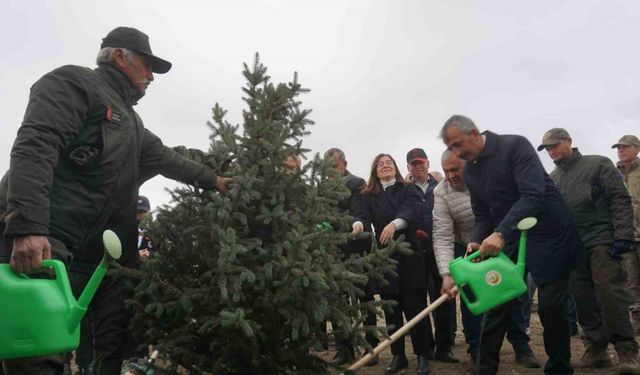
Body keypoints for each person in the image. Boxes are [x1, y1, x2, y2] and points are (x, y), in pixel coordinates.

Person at [0, 27, 231, 375]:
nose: (152, 75)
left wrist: (216, 180)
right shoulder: (74, 84)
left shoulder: (133, 125)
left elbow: (171, 159)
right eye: (148, 65)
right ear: (121, 57)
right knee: (37, 348)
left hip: (97, 258)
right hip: (45, 239)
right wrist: (28, 225)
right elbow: (36, 145)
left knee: (97, 342)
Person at [440, 115, 584, 375]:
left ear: (474, 133)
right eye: (451, 148)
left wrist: (501, 233)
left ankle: (559, 368)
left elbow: (533, 195)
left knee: (551, 308)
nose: (456, 153)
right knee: (495, 304)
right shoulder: (470, 170)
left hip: (549, 234)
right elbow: (484, 214)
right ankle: (485, 370)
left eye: (458, 145)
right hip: (509, 236)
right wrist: (476, 239)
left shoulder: (515, 147)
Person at [539, 128, 638, 371]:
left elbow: (619, 199)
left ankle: (626, 350)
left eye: (555, 145)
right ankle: (596, 348)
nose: (551, 151)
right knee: (582, 298)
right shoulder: (553, 179)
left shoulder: (598, 165)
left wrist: (623, 235)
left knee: (609, 293)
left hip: (602, 240)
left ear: (569, 142)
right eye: (547, 148)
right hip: (573, 247)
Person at [435, 150, 540, 369]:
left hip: (501, 241)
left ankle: (521, 346)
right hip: (468, 247)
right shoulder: (441, 192)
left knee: (510, 292)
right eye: (446, 171)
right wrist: (447, 273)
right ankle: (477, 350)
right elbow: (442, 234)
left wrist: (500, 237)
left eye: (455, 169)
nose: (451, 175)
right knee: (471, 296)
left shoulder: (489, 179)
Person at [352, 154, 430, 375]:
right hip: (385, 259)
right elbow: (361, 215)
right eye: (380, 163)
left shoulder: (408, 189)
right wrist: (358, 224)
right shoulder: (369, 195)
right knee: (391, 308)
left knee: (415, 307)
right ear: (375, 171)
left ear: (395, 168)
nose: (385, 166)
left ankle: (422, 354)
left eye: (389, 163)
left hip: (410, 255)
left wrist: (394, 225)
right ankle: (398, 355)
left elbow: (411, 211)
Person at [323, 147, 379, 366]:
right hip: (333, 251)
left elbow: (359, 214)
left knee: (364, 297)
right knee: (338, 299)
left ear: (344, 165)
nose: (331, 172)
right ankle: (344, 347)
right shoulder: (322, 189)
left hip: (358, 249)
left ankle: (371, 344)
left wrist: (337, 223)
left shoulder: (357, 184)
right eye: (327, 169)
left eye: (334, 167)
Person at [405, 147, 458, 364]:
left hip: (440, 249)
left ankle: (444, 346)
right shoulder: (405, 189)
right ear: (408, 167)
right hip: (414, 252)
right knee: (418, 299)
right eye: (413, 164)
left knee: (443, 298)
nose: (418, 167)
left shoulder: (441, 186)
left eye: (421, 162)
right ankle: (426, 346)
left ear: (428, 163)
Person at [613, 135, 640, 332]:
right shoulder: (613, 175)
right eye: (619, 148)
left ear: (637, 149)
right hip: (625, 235)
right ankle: (637, 320)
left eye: (625, 147)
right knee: (630, 280)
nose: (621, 151)